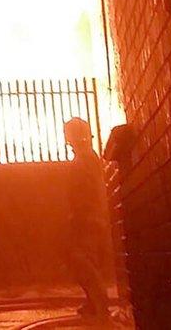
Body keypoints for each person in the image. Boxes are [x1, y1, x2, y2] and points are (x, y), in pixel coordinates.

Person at [63, 117, 110, 321]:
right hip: (89, 216)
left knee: (83, 260)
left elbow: (85, 190)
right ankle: (95, 302)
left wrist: (79, 214)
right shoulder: (88, 157)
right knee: (85, 259)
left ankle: (99, 305)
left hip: (87, 217)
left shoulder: (85, 159)